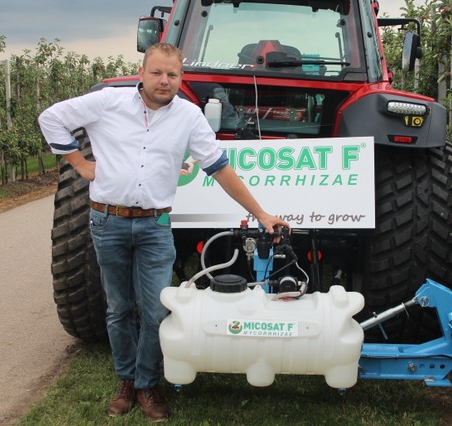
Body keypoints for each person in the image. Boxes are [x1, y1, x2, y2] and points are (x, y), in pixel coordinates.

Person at [38, 42, 289, 422]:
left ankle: (147, 384)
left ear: (180, 78)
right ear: (142, 73)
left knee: (156, 308)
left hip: (155, 225)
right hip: (107, 221)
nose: (163, 80)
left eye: (172, 74)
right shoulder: (108, 102)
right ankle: (126, 381)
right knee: (119, 308)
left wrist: (261, 214)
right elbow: (51, 118)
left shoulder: (189, 116)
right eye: (156, 72)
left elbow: (220, 168)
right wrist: (81, 164)